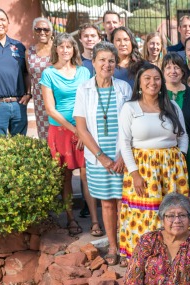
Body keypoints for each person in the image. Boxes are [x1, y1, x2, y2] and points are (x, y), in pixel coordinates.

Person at [118, 63, 189, 266]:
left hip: (171, 169)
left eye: (156, 78)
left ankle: (170, 254)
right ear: (139, 82)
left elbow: (182, 135)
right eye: (147, 78)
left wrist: (179, 159)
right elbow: (124, 142)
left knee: (172, 211)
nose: (152, 82)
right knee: (144, 212)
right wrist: (134, 173)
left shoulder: (172, 106)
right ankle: (142, 256)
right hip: (143, 168)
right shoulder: (130, 108)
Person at [74, 42, 132, 265]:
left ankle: (126, 247)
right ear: (94, 62)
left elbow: (130, 125)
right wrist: (103, 157)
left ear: (116, 64)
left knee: (123, 203)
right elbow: (81, 128)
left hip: (122, 156)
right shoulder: (84, 89)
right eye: (102, 60)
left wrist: (121, 157)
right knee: (107, 203)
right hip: (98, 158)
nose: (107, 64)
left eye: (111, 60)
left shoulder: (124, 88)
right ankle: (113, 246)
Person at [40, 33, 96, 237]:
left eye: (69, 47)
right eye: (61, 46)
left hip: (83, 129)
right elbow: (50, 109)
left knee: (86, 175)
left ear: (74, 50)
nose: (65, 50)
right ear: (56, 49)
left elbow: (90, 102)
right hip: (62, 131)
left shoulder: (83, 72)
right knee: (65, 177)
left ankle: (95, 220)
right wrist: (76, 131)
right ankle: (71, 219)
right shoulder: (48, 74)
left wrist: (84, 130)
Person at [163, 53, 190, 210]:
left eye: (177, 67)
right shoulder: (157, 95)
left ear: (183, 71)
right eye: (168, 67)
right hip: (165, 152)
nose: (173, 71)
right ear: (162, 71)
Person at [0, 7, 30, 136]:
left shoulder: (19, 46)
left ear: (8, 23)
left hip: (19, 104)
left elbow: (26, 73)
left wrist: (28, 93)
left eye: (2, 19)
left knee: (20, 147)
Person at [26, 17, 53, 141]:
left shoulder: (58, 49)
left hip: (57, 97)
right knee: (44, 135)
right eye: (38, 29)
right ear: (33, 31)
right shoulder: (29, 52)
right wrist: (28, 93)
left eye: (46, 29)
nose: (42, 32)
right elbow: (28, 74)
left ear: (51, 31)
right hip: (39, 99)